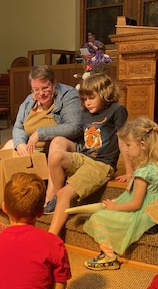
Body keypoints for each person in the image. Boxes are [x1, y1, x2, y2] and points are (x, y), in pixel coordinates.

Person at [46, 73, 133, 236]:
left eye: (91, 98)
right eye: (85, 99)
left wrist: (129, 171)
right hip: (84, 158)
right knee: (55, 156)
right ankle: (59, 198)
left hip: (102, 164)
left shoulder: (117, 110)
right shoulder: (85, 112)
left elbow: (123, 140)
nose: (87, 102)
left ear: (104, 93)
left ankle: (51, 237)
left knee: (67, 193)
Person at [82, 116, 158, 270]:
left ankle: (109, 256)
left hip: (144, 213)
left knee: (97, 218)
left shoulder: (142, 173)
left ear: (142, 145)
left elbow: (136, 204)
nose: (126, 150)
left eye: (128, 145)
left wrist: (114, 207)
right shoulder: (157, 165)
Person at [1, 65, 83, 203]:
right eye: (36, 89)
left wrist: (40, 133)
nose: (41, 93)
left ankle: (50, 198)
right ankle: (0, 194)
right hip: (34, 150)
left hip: (61, 147)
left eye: (45, 87)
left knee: (57, 140)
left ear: (54, 83)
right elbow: (18, 126)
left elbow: (75, 127)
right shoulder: (30, 100)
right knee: (10, 144)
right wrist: (20, 144)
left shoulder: (68, 95)